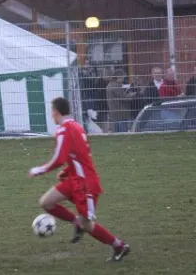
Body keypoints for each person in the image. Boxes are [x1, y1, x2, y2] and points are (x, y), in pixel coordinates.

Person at [27, 97, 130, 262]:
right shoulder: (77, 126)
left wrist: (39, 170)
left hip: (86, 185)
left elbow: (59, 158)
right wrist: (68, 171)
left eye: (51, 112)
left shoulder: (63, 130)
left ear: (55, 112)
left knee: (87, 225)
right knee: (46, 202)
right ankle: (75, 221)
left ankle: (119, 246)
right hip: (75, 179)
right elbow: (80, 155)